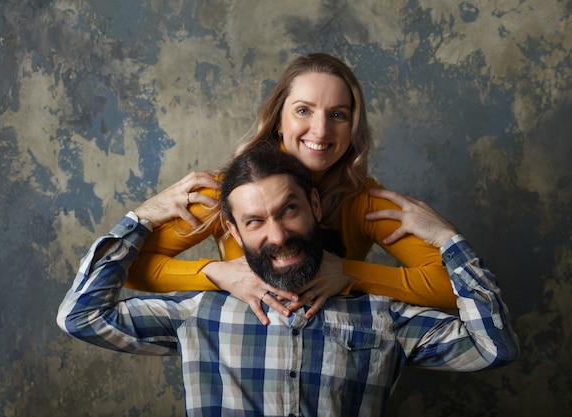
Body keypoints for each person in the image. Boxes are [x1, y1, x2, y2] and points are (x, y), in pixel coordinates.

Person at [57, 144, 519, 417]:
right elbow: (81, 315)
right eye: (255, 221)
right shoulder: (199, 314)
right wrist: (141, 218)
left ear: (315, 207)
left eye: (289, 210)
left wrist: (447, 239)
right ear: (233, 232)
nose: (277, 235)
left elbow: (494, 347)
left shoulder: (381, 317)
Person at [124, 53, 458, 325]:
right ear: (278, 121)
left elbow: (458, 288)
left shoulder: (363, 202)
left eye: (338, 115)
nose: (321, 129)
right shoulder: (229, 192)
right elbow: (124, 268)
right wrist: (216, 273)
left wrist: (348, 273)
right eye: (303, 111)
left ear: (353, 128)